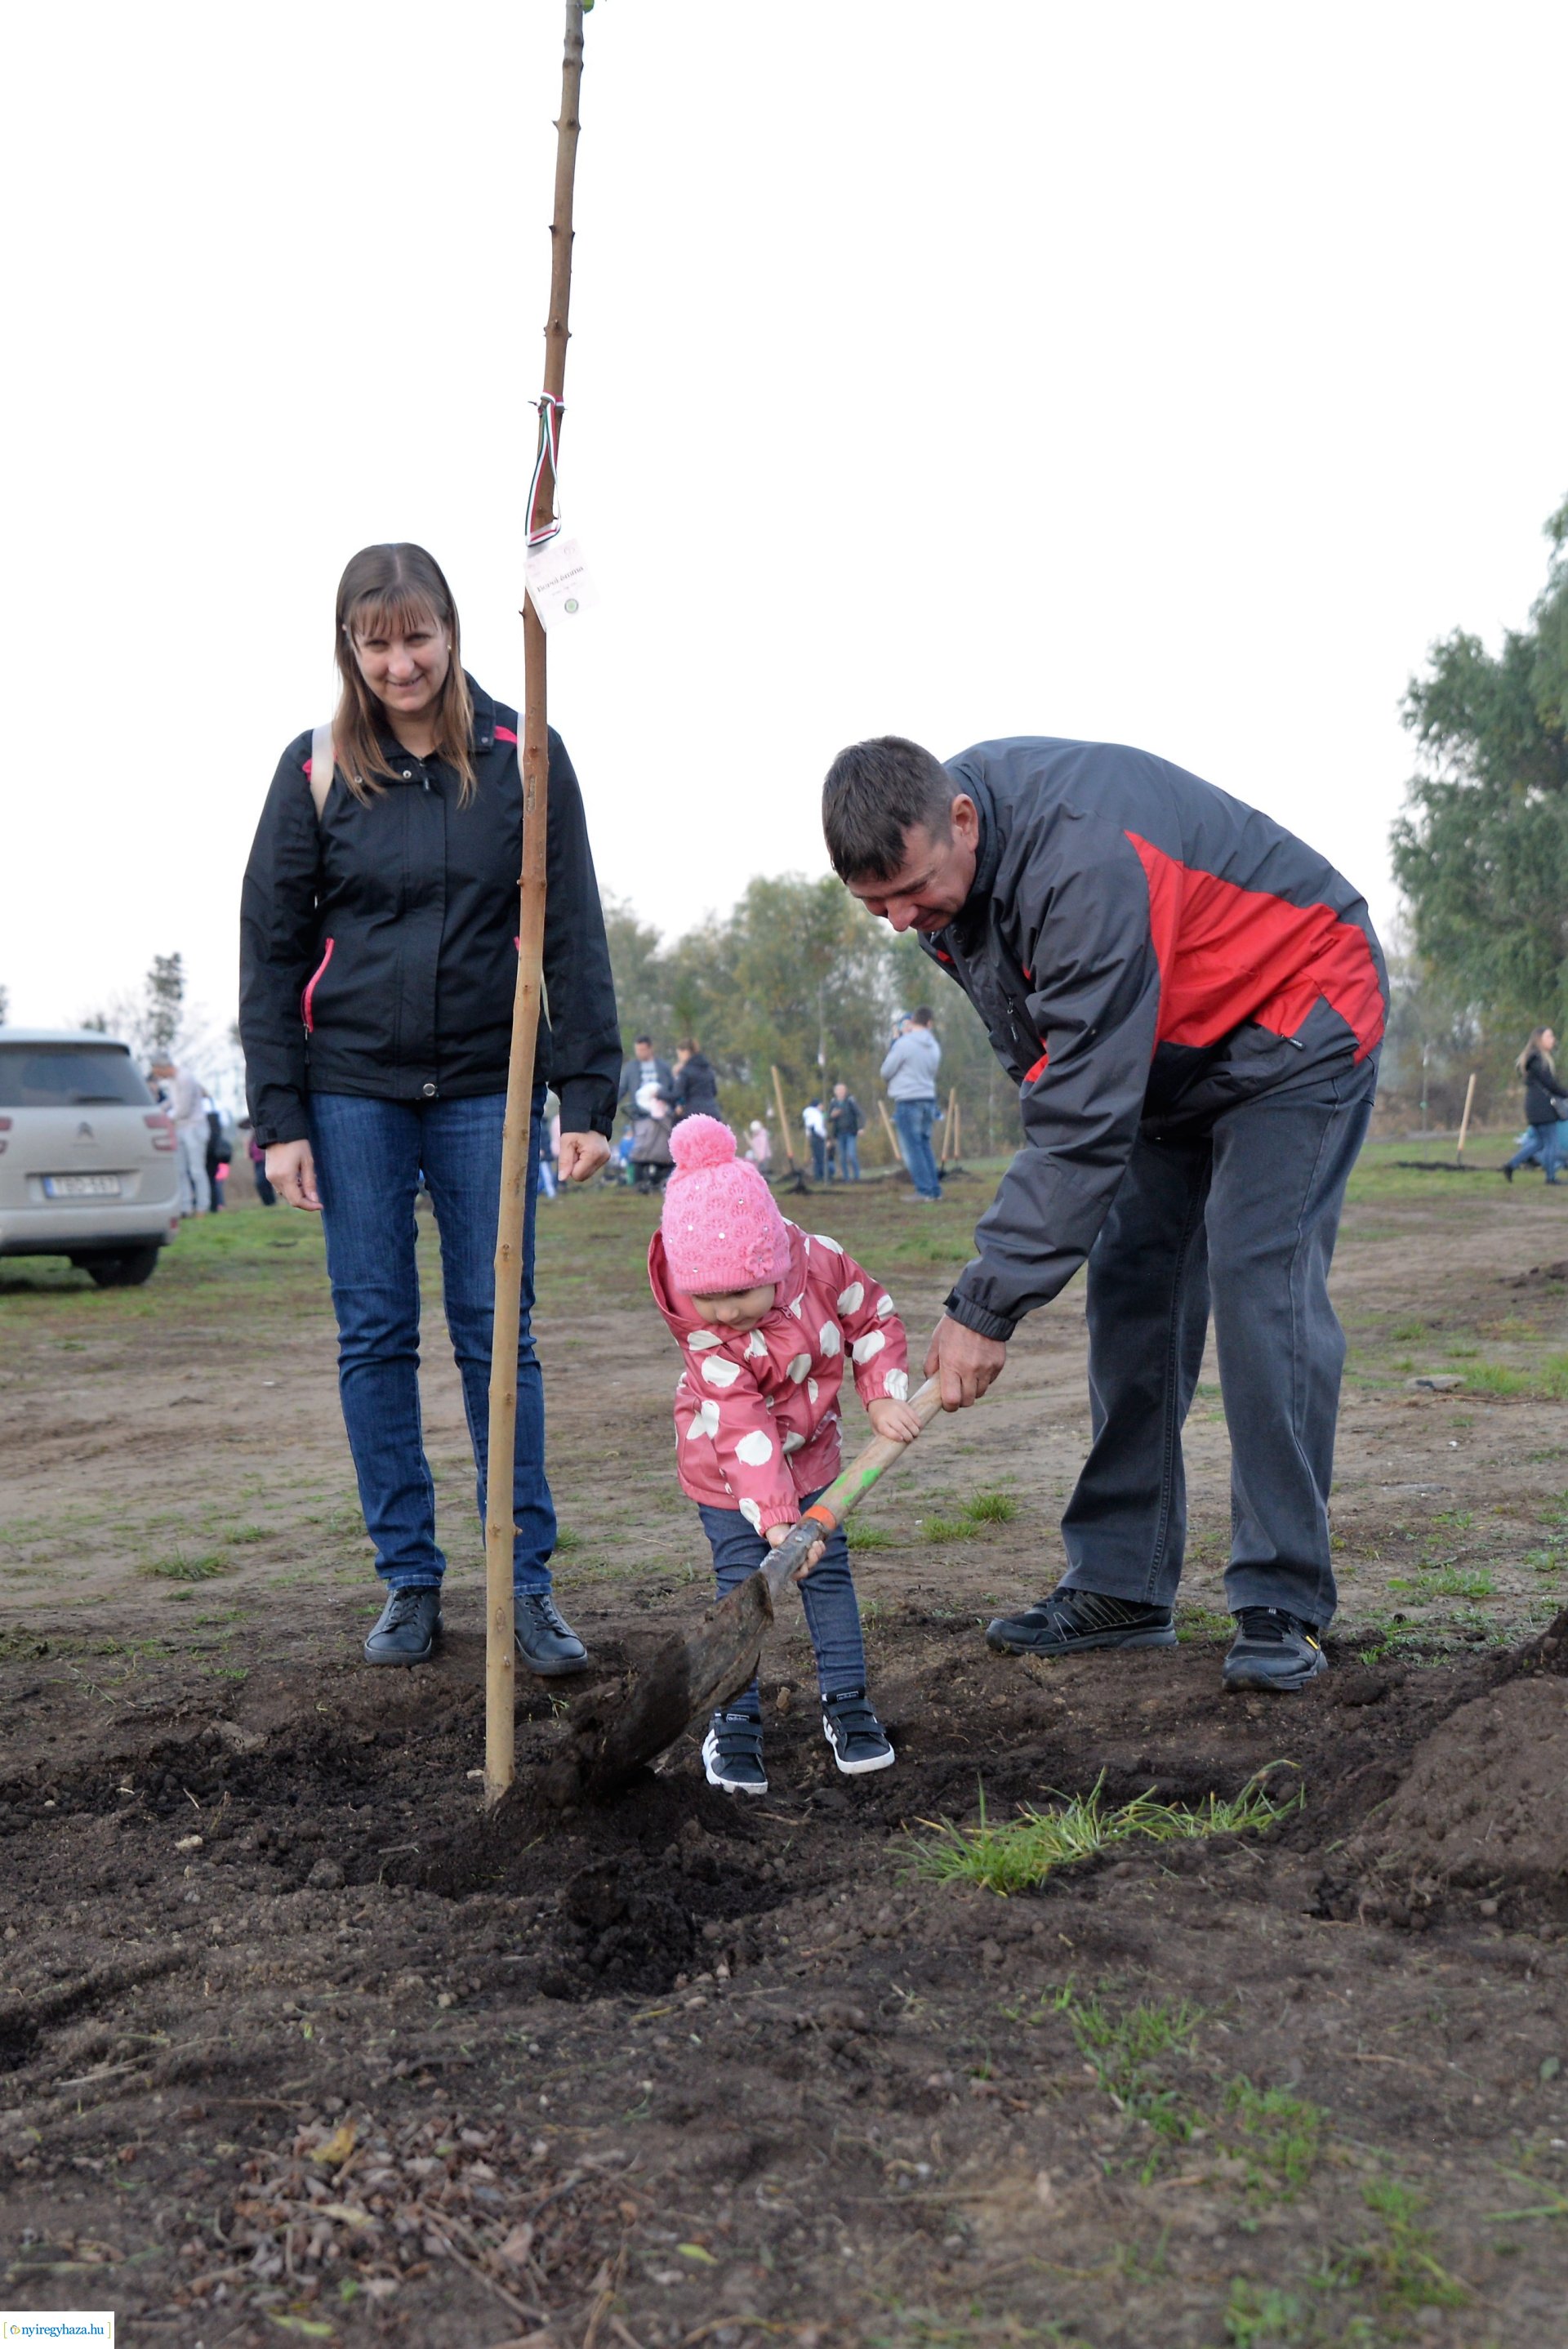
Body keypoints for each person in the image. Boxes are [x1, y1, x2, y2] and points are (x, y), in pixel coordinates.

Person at [823, 733, 1388, 1696]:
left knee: (1260, 1283)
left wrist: (986, 1303)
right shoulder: (952, 880)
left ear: (961, 819)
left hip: (1298, 1013)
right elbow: (1047, 1063)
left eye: (910, 891)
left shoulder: (1081, 859)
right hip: (1167, 1056)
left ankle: (1281, 1596)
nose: (899, 920)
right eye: (876, 904)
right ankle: (1123, 1584)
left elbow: (1082, 1113)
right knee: (1132, 1292)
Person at [240, 542, 620, 1674]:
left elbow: (573, 933)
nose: (401, 662)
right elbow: (269, 953)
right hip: (350, 1090)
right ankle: (410, 1581)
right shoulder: (312, 771)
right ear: (350, 649)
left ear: (452, 632)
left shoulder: (526, 757)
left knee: (499, 1334)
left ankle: (527, 1585)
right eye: (378, 642)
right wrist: (280, 1118)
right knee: (374, 1335)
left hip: (483, 1091)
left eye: (418, 636)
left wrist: (587, 1091)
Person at [648, 1115, 917, 1791]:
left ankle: (848, 1705)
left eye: (740, 1294)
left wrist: (881, 1394)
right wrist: (775, 1524)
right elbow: (741, 1427)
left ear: (771, 1260)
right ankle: (734, 1722)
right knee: (746, 1586)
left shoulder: (821, 1264)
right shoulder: (705, 1335)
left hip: (817, 1461)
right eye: (708, 1298)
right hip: (727, 1473)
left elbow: (874, 1317)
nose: (726, 1312)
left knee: (829, 1577)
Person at [880, 1008, 943, 1201]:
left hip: (908, 1099)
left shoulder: (904, 1044)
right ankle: (934, 1190)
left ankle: (924, 1191)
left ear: (913, 1021)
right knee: (924, 1145)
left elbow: (886, 1071)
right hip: (928, 1098)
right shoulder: (933, 1045)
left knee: (912, 1148)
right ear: (929, 1023)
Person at [1503, 1030, 1567, 1185]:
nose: (1553, 1039)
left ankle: (1510, 1165)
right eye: (1549, 1036)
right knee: (1552, 1143)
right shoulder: (1539, 1060)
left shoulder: (1531, 1060)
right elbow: (1551, 1085)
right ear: (1540, 1040)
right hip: (1543, 1107)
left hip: (1533, 1106)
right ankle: (1551, 1178)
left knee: (1538, 1142)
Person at [153, 1059, 212, 1215]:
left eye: (158, 1071)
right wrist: (155, 1110)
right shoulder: (172, 1081)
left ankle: (202, 1207)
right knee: (180, 1169)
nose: (158, 1075)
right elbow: (172, 1102)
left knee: (196, 1170)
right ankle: (185, 1207)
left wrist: (164, 1119)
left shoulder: (185, 1078)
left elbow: (183, 1109)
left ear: (163, 1067)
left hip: (194, 1128)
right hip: (180, 1128)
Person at [618, 1035, 673, 1117]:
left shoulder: (663, 1066)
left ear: (650, 1049)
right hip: (640, 1114)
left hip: (662, 1111)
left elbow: (672, 1087)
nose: (639, 1053)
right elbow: (622, 1089)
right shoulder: (631, 1068)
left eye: (642, 1050)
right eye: (637, 1050)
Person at [670, 1039, 720, 1121]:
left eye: (679, 1055)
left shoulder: (686, 1071)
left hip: (694, 1114)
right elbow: (714, 1091)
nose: (679, 1058)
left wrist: (659, 1094)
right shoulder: (708, 1069)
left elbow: (677, 1094)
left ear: (686, 1052)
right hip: (713, 1113)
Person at [827, 1081, 863, 1181]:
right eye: (839, 1090)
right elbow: (827, 1117)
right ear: (835, 1092)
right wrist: (832, 1115)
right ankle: (846, 1178)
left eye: (843, 1090)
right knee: (842, 1157)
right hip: (839, 1133)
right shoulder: (833, 1102)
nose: (841, 1092)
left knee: (851, 1155)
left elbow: (860, 1114)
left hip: (851, 1132)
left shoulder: (851, 1101)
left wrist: (861, 1128)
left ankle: (857, 1176)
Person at [802, 1096, 828, 1183]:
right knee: (821, 1157)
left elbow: (807, 1130)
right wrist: (825, 1135)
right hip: (818, 1137)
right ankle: (822, 1177)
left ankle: (817, 1176)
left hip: (812, 1138)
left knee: (816, 1157)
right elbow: (818, 1128)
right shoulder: (817, 1114)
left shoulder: (808, 1115)